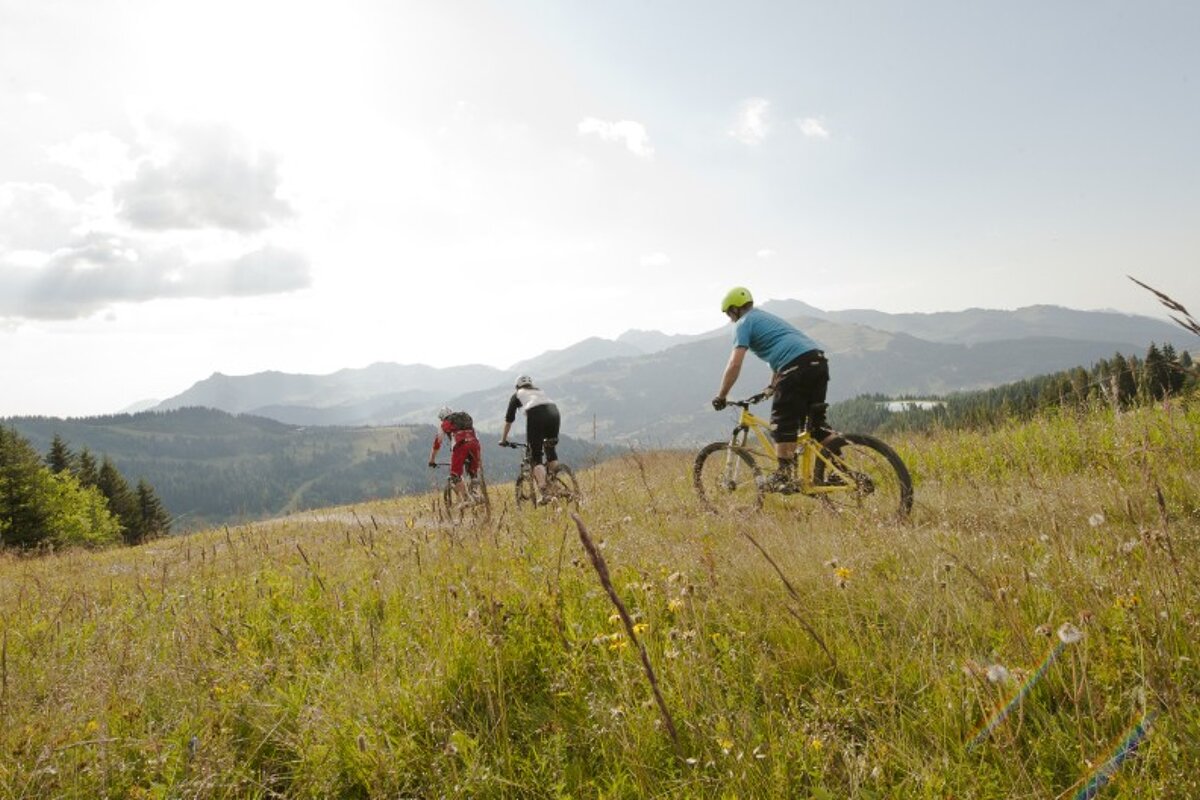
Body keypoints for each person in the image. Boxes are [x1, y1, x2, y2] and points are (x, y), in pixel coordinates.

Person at [711, 286, 830, 489]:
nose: (730, 319)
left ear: (735, 309)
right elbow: (782, 356)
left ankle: (785, 477)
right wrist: (771, 387)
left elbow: (735, 363)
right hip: (817, 363)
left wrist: (721, 395)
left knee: (782, 423)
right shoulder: (765, 318)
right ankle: (841, 470)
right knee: (817, 427)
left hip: (795, 369)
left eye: (729, 314)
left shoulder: (743, 323)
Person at [498, 375, 561, 500]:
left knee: (535, 457)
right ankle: (555, 482)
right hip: (554, 414)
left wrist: (503, 439)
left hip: (537, 416)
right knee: (550, 449)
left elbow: (509, 420)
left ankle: (545, 492)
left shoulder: (517, 395)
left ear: (517, 386)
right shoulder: (538, 391)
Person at [428, 406, 481, 501]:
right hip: (475, 445)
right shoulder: (464, 420)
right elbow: (476, 436)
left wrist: (432, 460)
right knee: (473, 473)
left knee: (454, 476)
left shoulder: (445, 423)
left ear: (443, 417)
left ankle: (467, 499)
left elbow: (437, 443)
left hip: (461, 446)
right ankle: (477, 496)